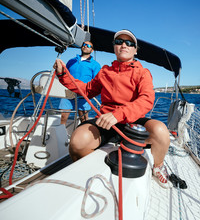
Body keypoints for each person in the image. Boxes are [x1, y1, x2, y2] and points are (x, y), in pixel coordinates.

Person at [53, 30, 172, 188]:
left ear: (135, 50)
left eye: (129, 43)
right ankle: (96, 174)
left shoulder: (142, 73)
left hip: (132, 120)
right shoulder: (105, 72)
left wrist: (118, 115)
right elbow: (86, 89)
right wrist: (63, 75)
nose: (124, 45)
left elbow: (146, 100)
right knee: (77, 142)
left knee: (161, 131)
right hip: (106, 121)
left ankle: (158, 166)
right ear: (114, 47)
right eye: (119, 42)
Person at [58, 41, 101, 125]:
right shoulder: (71, 61)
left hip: (84, 93)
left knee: (83, 119)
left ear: (92, 50)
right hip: (68, 92)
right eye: (84, 45)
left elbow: (97, 80)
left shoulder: (95, 65)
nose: (85, 46)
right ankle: (61, 136)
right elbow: (64, 74)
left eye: (88, 45)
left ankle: (82, 136)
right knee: (63, 117)